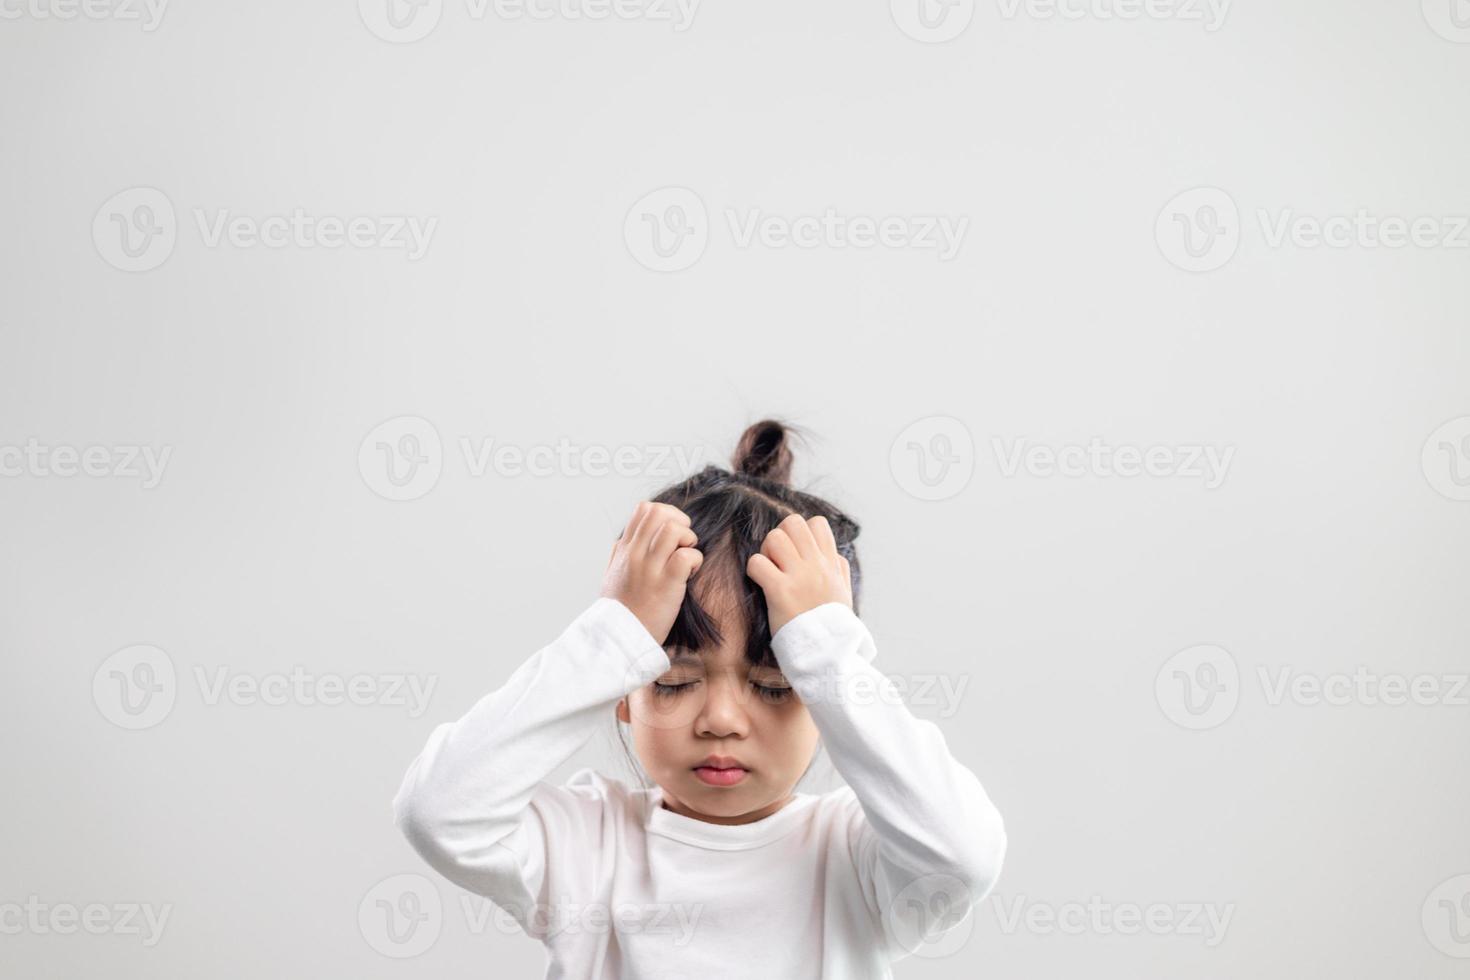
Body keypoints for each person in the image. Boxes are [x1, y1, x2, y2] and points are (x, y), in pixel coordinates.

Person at [392, 418, 1007, 978]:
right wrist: (613, 634)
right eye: (676, 681)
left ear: (825, 703)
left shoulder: (853, 858)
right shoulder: (586, 846)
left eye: (772, 686)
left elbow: (963, 855)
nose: (720, 721)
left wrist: (827, 653)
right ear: (623, 689)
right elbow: (439, 811)